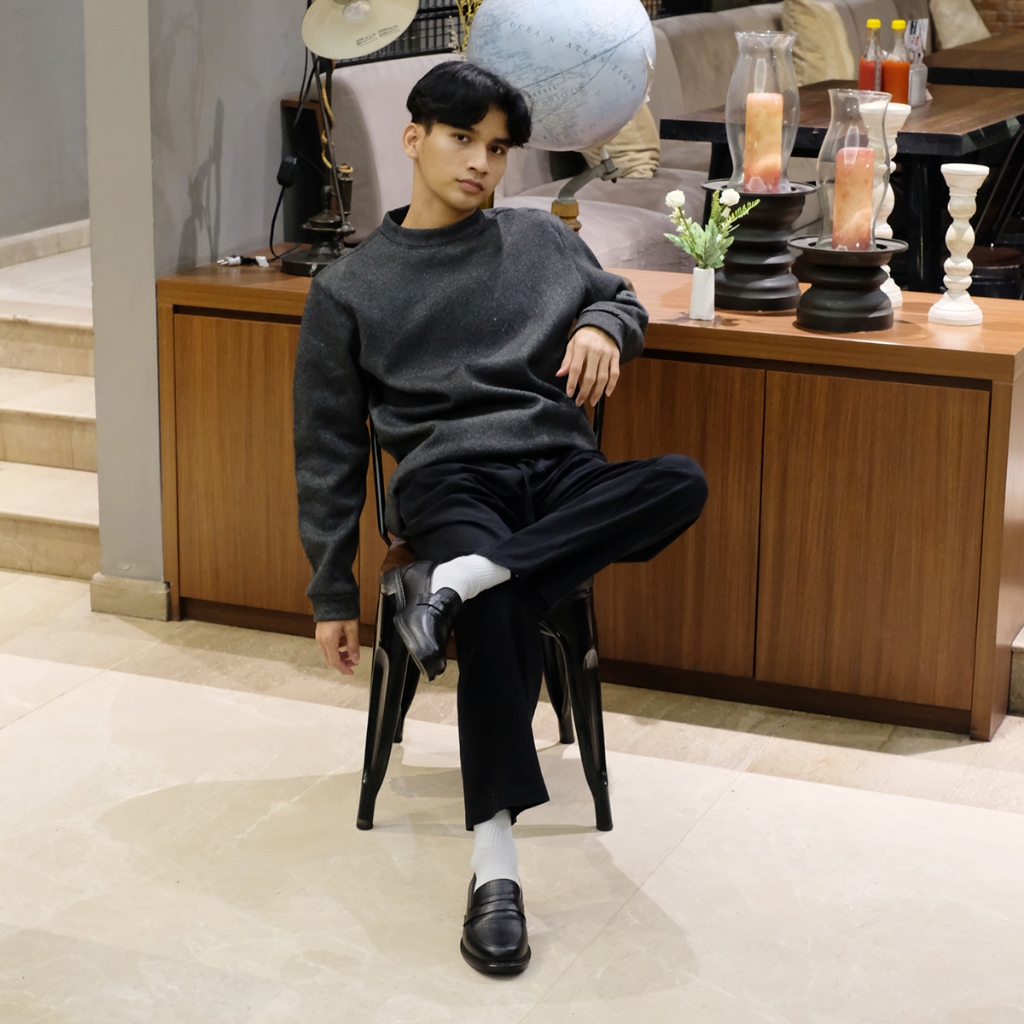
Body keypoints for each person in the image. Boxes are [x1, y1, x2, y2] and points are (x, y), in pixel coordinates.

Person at [293, 60, 708, 977]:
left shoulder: (539, 240)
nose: (481, 162)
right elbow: (327, 452)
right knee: (503, 609)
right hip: (451, 482)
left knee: (679, 481)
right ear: (413, 138)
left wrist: (603, 327)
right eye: (462, 139)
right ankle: (496, 867)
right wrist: (332, 595)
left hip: (560, 468)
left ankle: (462, 581)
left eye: (498, 147)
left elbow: (618, 297)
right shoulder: (350, 288)